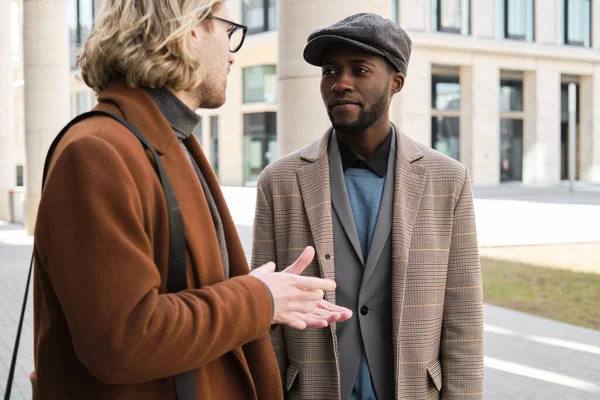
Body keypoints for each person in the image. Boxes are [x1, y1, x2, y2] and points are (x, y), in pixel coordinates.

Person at [31, 1, 351, 399]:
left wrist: (269, 295)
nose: (234, 55)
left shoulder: (167, 140)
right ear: (190, 29)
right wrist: (259, 299)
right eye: (228, 31)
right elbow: (124, 340)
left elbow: (182, 294)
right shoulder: (98, 151)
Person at [251, 13, 484, 400]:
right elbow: (263, 320)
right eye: (329, 71)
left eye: (360, 70)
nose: (340, 83)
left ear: (396, 82)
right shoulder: (279, 182)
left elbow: (463, 319)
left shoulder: (448, 180)